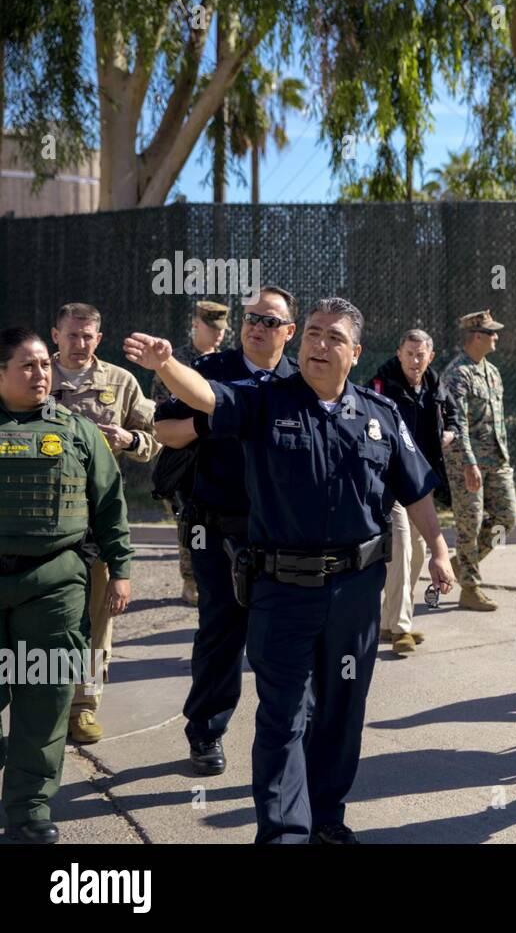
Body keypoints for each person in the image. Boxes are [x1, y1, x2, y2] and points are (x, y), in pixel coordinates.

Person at [125, 297, 455, 844]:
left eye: (334, 338)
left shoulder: (380, 417)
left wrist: (439, 550)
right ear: (299, 342)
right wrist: (166, 365)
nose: (320, 346)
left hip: (354, 594)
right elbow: (208, 397)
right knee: (283, 715)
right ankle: (283, 833)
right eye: (313, 335)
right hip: (283, 591)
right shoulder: (265, 402)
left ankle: (327, 817)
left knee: (342, 710)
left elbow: (414, 486)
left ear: (355, 353)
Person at [152, 287, 299, 776]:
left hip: (283, 533)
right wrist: (211, 421)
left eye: (270, 321)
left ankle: (294, 735)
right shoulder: (210, 372)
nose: (257, 326)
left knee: (288, 637)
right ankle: (206, 733)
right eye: (252, 318)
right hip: (218, 530)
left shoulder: (299, 380)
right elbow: (164, 431)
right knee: (221, 633)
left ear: (288, 332)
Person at [0, 327, 132, 844]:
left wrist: (120, 567)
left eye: (44, 365)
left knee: (46, 699)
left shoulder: (77, 431)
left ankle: (28, 811)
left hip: (54, 586)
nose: (41, 374)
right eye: (28, 366)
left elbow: (109, 505)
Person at [48, 303, 158, 745]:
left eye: (88, 336)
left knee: (98, 616)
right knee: (49, 613)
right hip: (44, 517)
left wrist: (131, 440)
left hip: (99, 515)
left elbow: (156, 440)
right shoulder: (35, 373)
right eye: (72, 335)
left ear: (100, 337)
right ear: (55, 335)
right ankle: (44, 699)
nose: (80, 344)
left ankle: (84, 705)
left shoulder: (120, 381)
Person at [369, 329, 461, 654]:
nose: (414, 360)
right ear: (399, 353)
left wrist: (451, 434)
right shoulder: (380, 385)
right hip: (390, 484)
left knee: (419, 554)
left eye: (420, 354)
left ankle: (387, 621)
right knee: (403, 548)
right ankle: (401, 629)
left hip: (421, 485)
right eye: (409, 353)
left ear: (430, 356)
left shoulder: (435, 385)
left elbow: (455, 418)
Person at [151, 300, 230, 606]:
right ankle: (191, 579)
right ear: (196, 324)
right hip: (184, 456)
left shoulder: (226, 362)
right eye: (213, 328)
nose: (219, 335)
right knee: (189, 519)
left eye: (223, 330)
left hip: (217, 455)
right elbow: (161, 410)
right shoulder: (174, 361)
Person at [441, 310, 516, 611]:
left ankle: (461, 562)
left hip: (497, 461)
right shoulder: (456, 374)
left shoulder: (492, 372)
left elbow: (497, 422)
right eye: (491, 332)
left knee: (507, 519)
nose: (496, 336)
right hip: (466, 463)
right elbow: (455, 423)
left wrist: (504, 460)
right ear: (476, 336)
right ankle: (470, 588)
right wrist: (469, 463)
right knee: (469, 525)